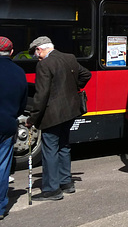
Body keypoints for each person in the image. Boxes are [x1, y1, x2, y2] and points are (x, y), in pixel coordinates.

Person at [25, 36, 91, 201]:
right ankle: (66, 182)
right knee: (64, 146)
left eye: (35, 53)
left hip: (52, 114)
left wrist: (32, 118)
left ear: (40, 49)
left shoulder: (44, 64)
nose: (36, 56)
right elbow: (86, 74)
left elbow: (41, 96)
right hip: (70, 111)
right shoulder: (69, 58)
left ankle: (52, 189)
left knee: (50, 150)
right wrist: (74, 87)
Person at [0, 37, 27, 220]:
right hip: (6, 126)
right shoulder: (19, 72)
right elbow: (21, 105)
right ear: (11, 52)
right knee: (2, 167)